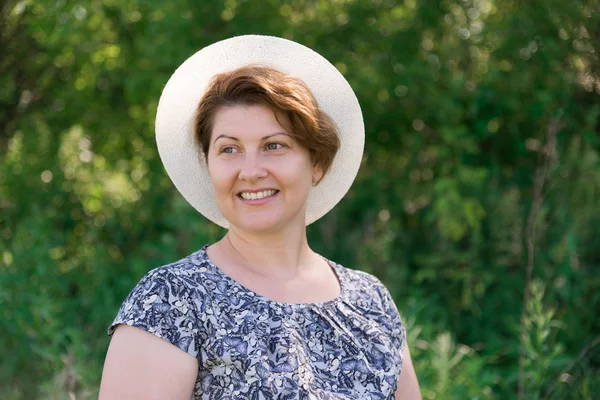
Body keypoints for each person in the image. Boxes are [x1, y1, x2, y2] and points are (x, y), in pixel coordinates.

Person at [99, 35, 421, 399]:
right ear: (209, 165)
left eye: (273, 146)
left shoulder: (371, 301)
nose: (250, 171)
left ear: (316, 163)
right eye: (229, 149)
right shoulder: (171, 301)